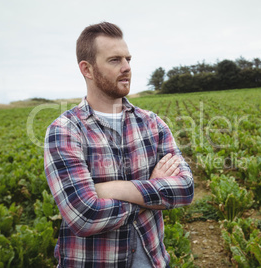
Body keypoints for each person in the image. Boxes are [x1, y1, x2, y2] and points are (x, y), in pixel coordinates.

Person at [44, 22, 194, 267]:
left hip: (154, 261)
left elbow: (185, 189)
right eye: (115, 60)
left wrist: (111, 190)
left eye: (128, 59)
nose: (127, 68)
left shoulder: (152, 123)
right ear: (87, 69)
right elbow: (84, 216)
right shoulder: (64, 131)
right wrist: (154, 191)